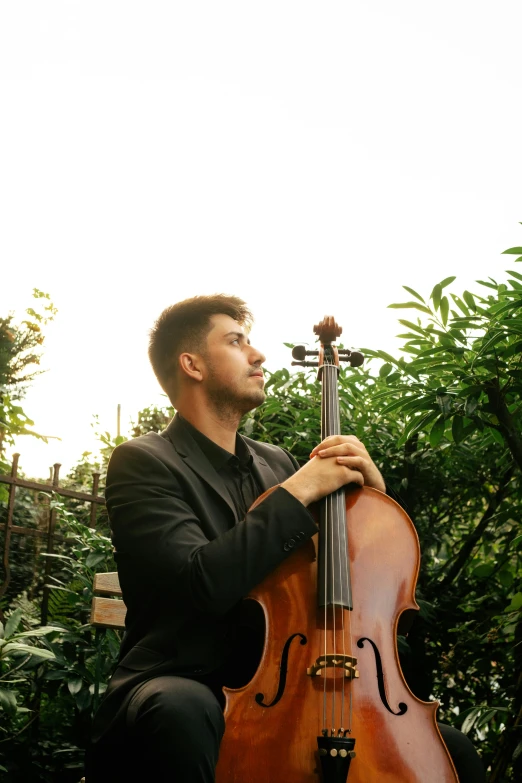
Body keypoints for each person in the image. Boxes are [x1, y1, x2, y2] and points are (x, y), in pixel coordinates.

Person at [85, 294, 484, 782]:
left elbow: (336, 585)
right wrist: (299, 489)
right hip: (187, 679)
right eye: (236, 342)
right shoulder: (144, 462)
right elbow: (199, 584)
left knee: (453, 751)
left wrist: (373, 506)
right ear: (191, 364)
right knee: (182, 709)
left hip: (292, 684)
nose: (258, 355)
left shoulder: (275, 463)